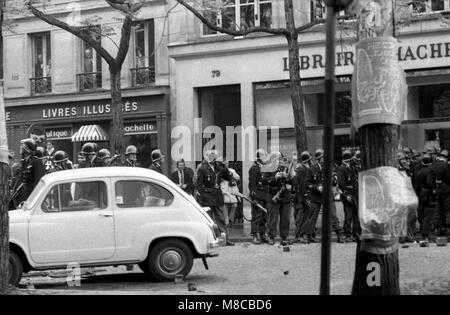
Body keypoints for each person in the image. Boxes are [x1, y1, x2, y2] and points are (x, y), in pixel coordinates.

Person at [196, 150, 233, 246]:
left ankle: (225, 240)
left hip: (217, 196)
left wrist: (224, 167)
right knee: (209, 220)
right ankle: (209, 240)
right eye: (211, 156)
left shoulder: (218, 167)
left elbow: (228, 178)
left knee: (221, 219)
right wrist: (199, 200)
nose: (213, 158)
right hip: (207, 197)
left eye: (215, 156)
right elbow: (198, 185)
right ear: (207, 157)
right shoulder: (202, 168)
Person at [265, 152, 291, 246]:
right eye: (277, 158)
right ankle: (271, 237)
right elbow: (264, 181)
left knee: (285, 219)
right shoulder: (267, 169)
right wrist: (275, 178)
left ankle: (284, 238)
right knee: (273, 219)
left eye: (280, 158)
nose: (279, 160)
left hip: (284, 197)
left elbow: (293, 181)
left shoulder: (285, 168)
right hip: (273, 197)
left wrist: (286, 177)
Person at [12, 138, 46, 206]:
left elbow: (38, 182)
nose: (20, 147)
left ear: (26, 149)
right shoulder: (24, 162)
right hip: (23, 195)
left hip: (31, 196)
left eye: (22, 146)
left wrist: (34, 199)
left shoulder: (36, 162)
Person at [337, 150, 360, 242]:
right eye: (351, 159)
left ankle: (355, 233)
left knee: (356, 215)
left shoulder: (352, 168)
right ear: (347, 160)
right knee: (348, 215)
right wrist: (347, 194)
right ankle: (347, 234)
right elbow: (341, 184)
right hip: (347, 195)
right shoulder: (341, 169)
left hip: (355, 194)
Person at [249, 149, 270, 245]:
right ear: (259, 158)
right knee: (257, 216)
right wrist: (254, 198)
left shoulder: (265, 168)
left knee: (264, 217)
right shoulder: (254, 169)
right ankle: (255, 235)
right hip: (257, 196)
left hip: (265, 195)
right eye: (264, 157)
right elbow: (252, 185)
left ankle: (262, 234)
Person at [426, 149, 450, 237]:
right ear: (446, 158)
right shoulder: (446, 165)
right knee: (447, 210)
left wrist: (434, 188)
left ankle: (437, 229)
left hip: (437, 191)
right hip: (447, 191)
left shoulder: (432, 166)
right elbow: (449, 178)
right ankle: (447, 229)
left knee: (438, 211)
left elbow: (429, 181)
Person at [415, 153, 435, 242]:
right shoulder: (429, 171)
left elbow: (417, 184)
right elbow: (429, 183)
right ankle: (425, 233)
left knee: (422, 213)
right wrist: (433, 189)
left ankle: (423, 231)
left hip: (421, 193)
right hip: (428, 194)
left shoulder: (419, 171)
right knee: (429, 213)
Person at [219, 160, 240, 229]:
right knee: (225, 206)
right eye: (225, 163)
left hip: (232, 189)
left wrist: (232, 174)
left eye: (228, 163)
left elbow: (238, 178)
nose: (227, 164)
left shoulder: (232, 170)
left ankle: (230, 219)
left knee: (234, 205)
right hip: (225, 188)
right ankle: (227, 221)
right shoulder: (220, 171)